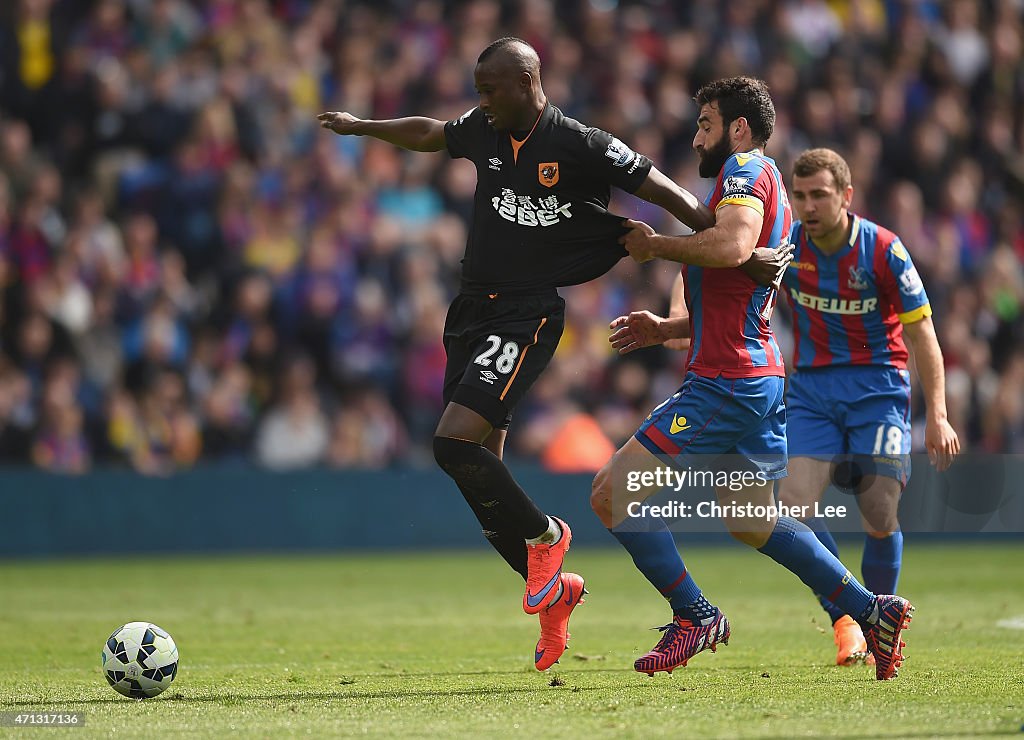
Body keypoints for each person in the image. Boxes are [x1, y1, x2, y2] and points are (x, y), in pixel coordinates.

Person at [319, 38, 788, 671]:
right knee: (479, 471)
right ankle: (553, 595)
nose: (481, 103)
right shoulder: (484, 129)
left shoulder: (581, 143)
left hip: (527, 312)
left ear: (526, 83)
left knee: (451, 444)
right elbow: (432, 134)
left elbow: (664, 191)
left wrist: (729, 246)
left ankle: (549, 537)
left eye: (490, 90)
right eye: (478, 91)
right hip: (471, 310)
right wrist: (361, 127)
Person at [594, 76, 914, 681]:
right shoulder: (765, 193)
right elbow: (737, 285)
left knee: (613, 493)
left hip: (727, 383)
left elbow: (734, 247)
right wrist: (666, 331)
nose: (697, 137)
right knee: (750, 518)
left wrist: (656, 246)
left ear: (739, 128)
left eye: (706, 124)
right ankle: (872, 610)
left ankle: (695, 615)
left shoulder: (744, 168)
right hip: (756, 374)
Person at [777, 148, 960, 666]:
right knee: (791, 507)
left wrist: (939, 414)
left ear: (846, 196)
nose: (808, 206)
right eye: (800, 196)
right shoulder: (788, 247)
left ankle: (876, 620)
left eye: (820, 195)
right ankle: (849, 618)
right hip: (812, 390)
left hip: (878, 389)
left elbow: (923, 332)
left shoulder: (883, 251)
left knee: (878, 511)